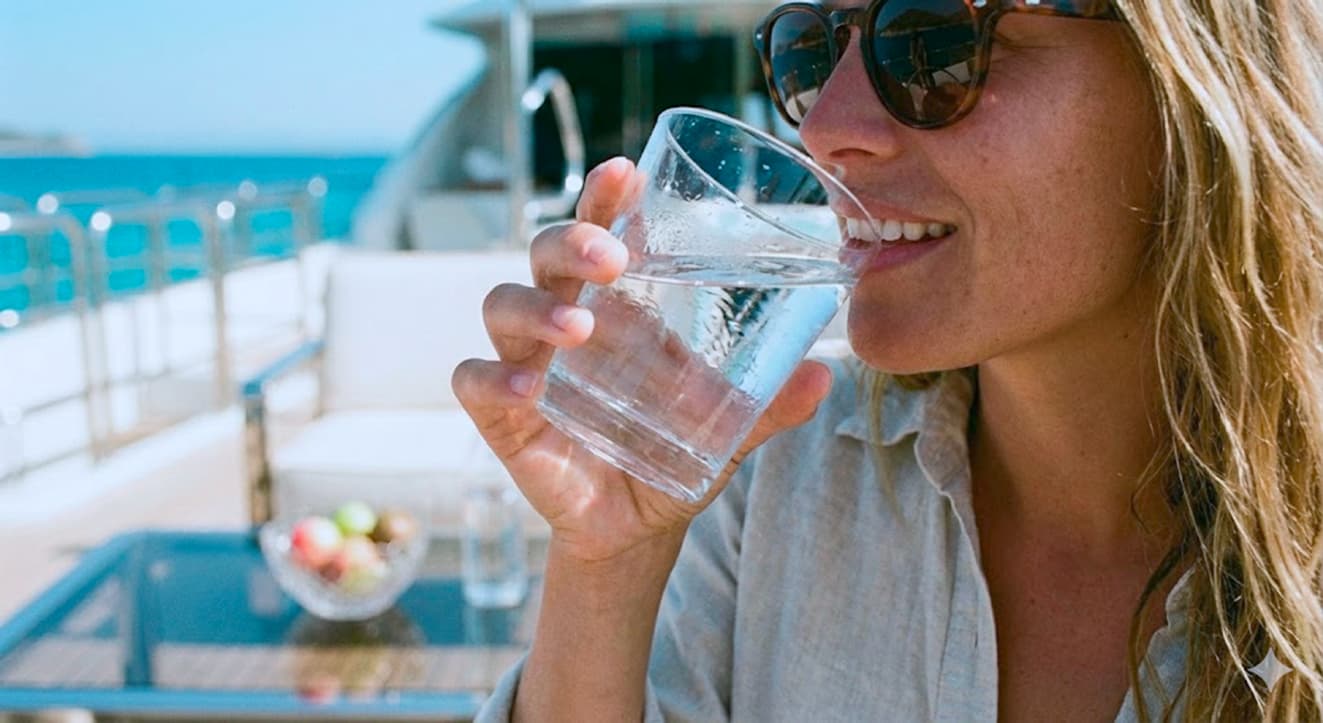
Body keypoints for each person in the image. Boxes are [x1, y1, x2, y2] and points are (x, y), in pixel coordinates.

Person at [451, 0, 1323, 719]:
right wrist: (606, 564)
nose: (827, 127)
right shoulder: (772, 477)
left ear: (1193, 84)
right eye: (809, 53)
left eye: (932, 40)